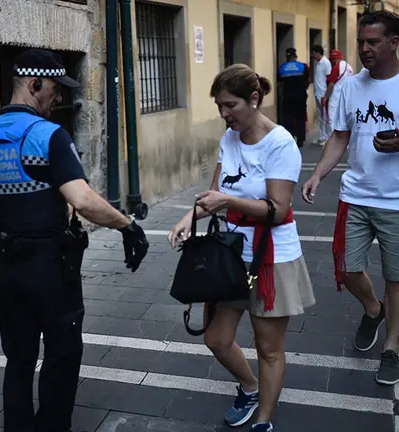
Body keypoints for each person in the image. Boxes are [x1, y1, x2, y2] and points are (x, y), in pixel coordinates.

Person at [0, 48, 149, 432]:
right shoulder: (48, 136)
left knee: (18, 359)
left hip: (6, 267)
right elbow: (82, 200)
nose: (60, 97)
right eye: (55, 88)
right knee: (61, 355)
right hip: (50, 267)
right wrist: (127, 225)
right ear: (34, 84)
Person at [302, 10, 399, 386]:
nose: (365, 49)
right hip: (355, 195)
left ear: (393, 42)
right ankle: (373, 309)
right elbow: (339, 135)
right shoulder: (351, 85)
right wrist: (318, 174)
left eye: (373, 42)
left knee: (397, 278)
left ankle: (391, 349)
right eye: (362, 43)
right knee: (346, 269)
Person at [168, 64, 315, 432]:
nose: (223, 113)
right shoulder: (229, 138)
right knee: (216, 338)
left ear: (254, 99)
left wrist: (224, 202)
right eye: (219, 105)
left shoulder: (280, 143)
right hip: (230, 254)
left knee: (268, 348)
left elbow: (278, 211)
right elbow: (214, 193)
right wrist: (190, 216)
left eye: (230, 105)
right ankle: (249, 388)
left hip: (271, 257)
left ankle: (264, 420)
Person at [277, 47, 311, 148]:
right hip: (300, 95)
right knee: (300, 117)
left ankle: (290, 139)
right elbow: (307, 80)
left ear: (286, 56)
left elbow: (279, 83)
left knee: (288, 118)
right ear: (295, 56)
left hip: (288, 96)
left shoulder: (282, 68)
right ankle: (300, 140)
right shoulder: (302, 67)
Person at [323, 49, 354, 128]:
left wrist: (326, 97)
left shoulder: (336, 68)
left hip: (335, 97)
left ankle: (333, 138)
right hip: (347, 97)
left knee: (332, 119)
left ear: (333, 59)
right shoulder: (349, 67)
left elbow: (331, 85)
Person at [311, 45, 333, 146]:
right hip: (317, 92)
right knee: (320, 116)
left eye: (313, 53)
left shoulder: (326, 63)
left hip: (323, 93)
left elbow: (329, 78)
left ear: (318, 53)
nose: (313, 55)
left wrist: (327, 95)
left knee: (325, 116)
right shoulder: (318, 63)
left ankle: (327, 137)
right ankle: (322, 136)